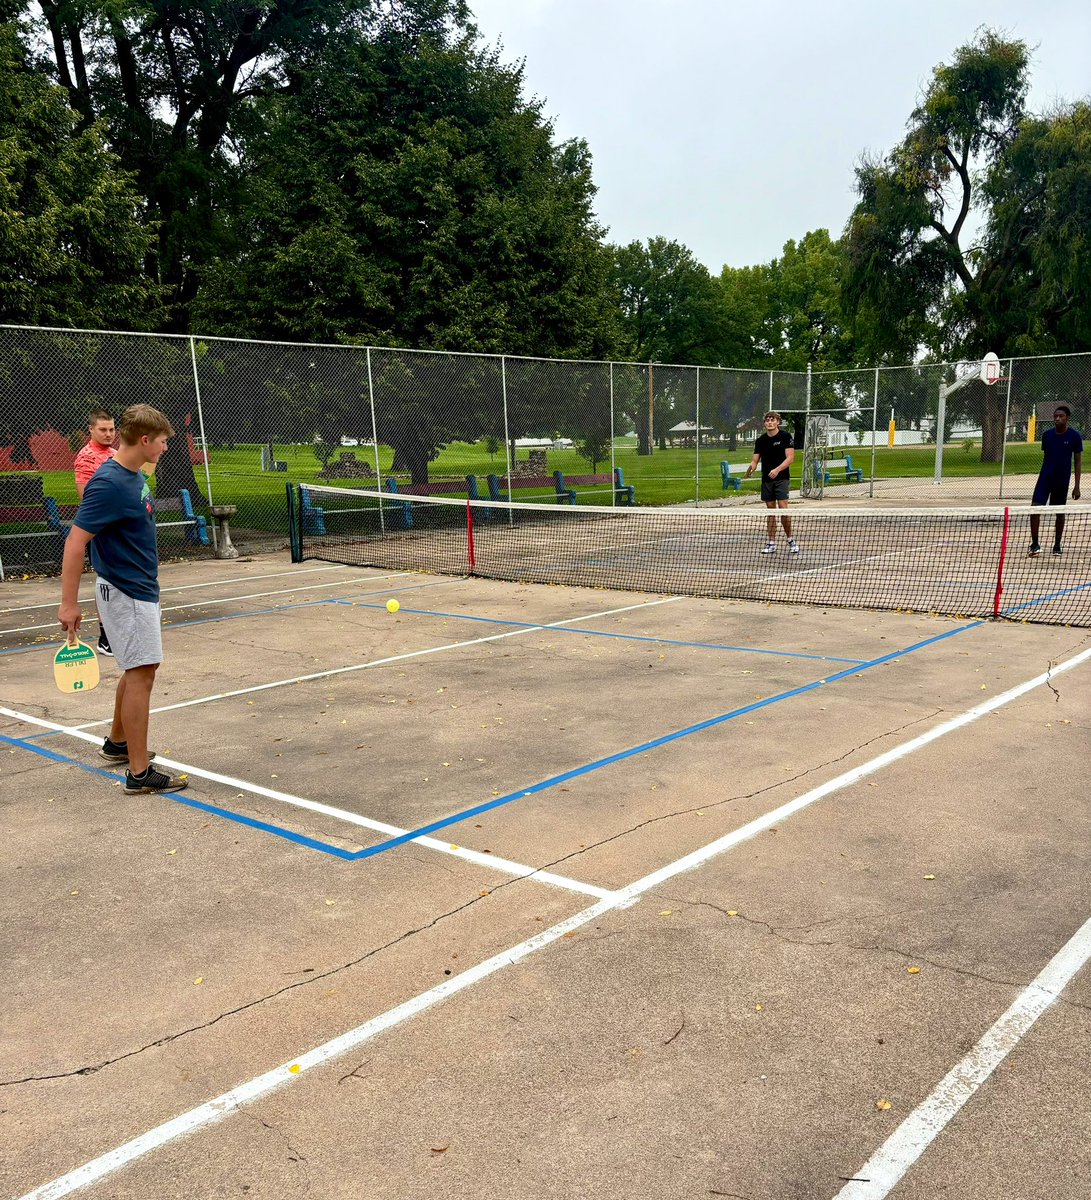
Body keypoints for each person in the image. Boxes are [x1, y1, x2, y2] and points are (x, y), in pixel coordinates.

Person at [57, 404, 188, 794]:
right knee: (143, 673)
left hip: (138, 587)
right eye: (163, 442)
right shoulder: (110, 482)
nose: (165, 448)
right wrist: (68, 603)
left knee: (136, 669)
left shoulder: (133, 473)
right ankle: (138, 772)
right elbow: (75, 542)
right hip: (127, 592)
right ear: (145, 440)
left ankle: (117, 742)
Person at [73, 409, 118, 656]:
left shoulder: (115, 454)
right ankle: (105, 636)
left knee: (117, 580)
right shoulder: (86, 457)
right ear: (91, 430)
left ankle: (116, 630)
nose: (109, 434)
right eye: (103, 429)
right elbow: (86, 496)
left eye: (112, 429)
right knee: (106, 581)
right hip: (101, 530)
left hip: (119, 529)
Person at [1029, 404, 1082, 556]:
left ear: (1067, 418)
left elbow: (1077, 462)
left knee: (1059, 512)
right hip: (1045, 478)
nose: (1057, 418)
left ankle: (1057, 545)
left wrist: (1077, 486)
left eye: (1061, 416)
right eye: (1055, 416)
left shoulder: (1074, 436)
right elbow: (1047, 456)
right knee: (1034, 508)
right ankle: (1035, 544)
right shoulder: (1047, 435)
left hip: (1062, 480)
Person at [745, 411, 800, 555]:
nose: (769, 422)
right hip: (767, 480)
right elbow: (755, 460)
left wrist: (777, 469)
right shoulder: (761, 441)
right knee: (770, 511)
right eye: (767, 420)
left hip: (782, 478)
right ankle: (772, 543)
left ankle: (790, 540)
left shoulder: (785, 437)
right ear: (765, 423)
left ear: (778, 422)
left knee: (783, 509)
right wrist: (752, 468)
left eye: (772, 420)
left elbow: (790, 458)